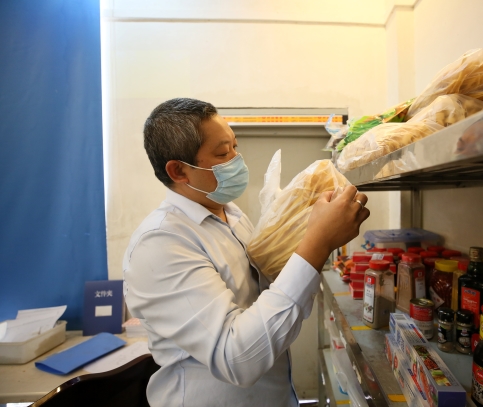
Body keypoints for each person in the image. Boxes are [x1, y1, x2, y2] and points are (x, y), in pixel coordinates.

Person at [123, 98, 370, 407]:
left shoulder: (233, 215)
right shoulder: (160, 242)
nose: (236, 160)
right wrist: (317, 243)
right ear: (179, 171)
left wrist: (303, 227)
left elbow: (266, 297)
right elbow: (237, 358)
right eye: (222, 153)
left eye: (235, 147)